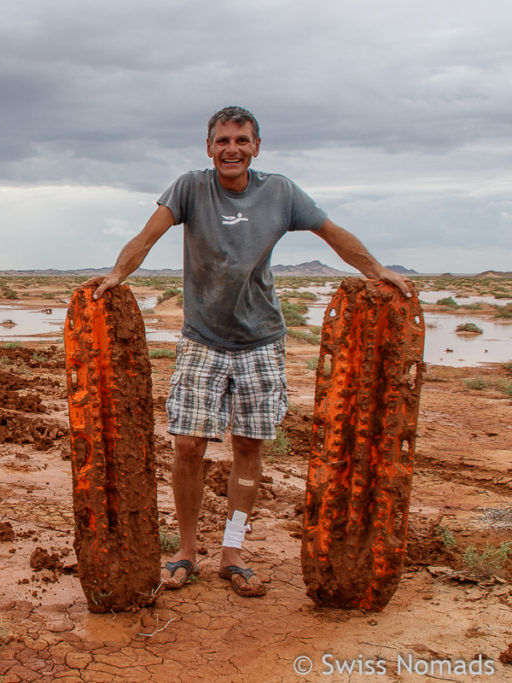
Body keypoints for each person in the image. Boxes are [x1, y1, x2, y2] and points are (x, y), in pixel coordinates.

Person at [86, 106, 412, 597]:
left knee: (248, 448)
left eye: (241, 140)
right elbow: (149, 234)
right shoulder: (190, 188)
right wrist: (117, 274)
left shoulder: (279, 192)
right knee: (188, 446)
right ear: (209, 147)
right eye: (222, 140)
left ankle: (232, 552)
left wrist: (377, 270)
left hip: (261, 340)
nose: (231, 149)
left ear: (256, 146)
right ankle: (188, 551)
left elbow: (332, 233)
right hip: (202, 338)